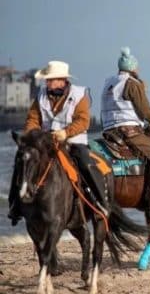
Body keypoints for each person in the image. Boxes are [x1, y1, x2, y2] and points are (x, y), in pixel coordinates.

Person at [8, 60, 108, 226]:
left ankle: (100, 202)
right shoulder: (40, 95)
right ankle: (15, 206)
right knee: (21, 162)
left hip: (73, 142)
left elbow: (83, 121)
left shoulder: (79, 95)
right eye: (47, 80)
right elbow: (33, 119)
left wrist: (66, 133)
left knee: (86, 162)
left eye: (51, 79)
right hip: (45, 143)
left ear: (62, 80)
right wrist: (32, 135)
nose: (48, 82)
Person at [101, 47, 150, 211]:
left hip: (108, 129)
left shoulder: (109, 82)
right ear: (132, 68)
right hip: (128, 131)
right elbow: (144, 108)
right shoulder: (132, 84)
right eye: (137, 68)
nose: (138, 70)